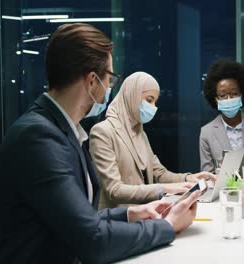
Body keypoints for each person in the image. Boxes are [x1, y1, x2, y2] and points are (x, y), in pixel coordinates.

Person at [0, 23, 200, 263]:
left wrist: (132, 214)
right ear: (92, 81)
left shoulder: (61, 130)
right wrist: (168, 227)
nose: (110, 88)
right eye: (109, 79)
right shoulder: (38, 138)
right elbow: (93, 240)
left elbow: (79, 219)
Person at [90, 72, 215, 209]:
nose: (153, 107)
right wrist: (164, 189)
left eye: (155, 101)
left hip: (145, 216)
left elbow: (159, 173)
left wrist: (188, 178)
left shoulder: (140, 133)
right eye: (149, 100)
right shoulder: (103, 132)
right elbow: (114, 190)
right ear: (132, 96)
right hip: (117, 221)